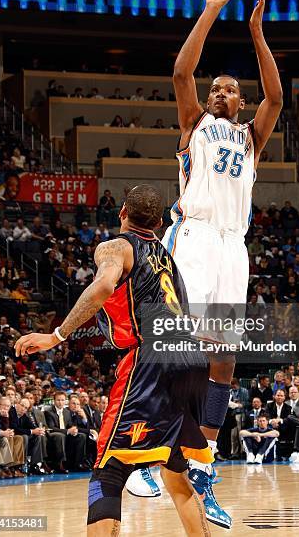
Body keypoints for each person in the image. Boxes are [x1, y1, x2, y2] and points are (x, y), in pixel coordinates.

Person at [15, 185, 211, 537]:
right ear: (159, 221)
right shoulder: (166, 256)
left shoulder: (116, 246)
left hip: (151, 358)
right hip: (191, 357)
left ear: (122, 212)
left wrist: (56, 335)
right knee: (174, 471)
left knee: (108, 466)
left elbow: (104, 285)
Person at [159, 0, 282, 529]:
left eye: (230, 89)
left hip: (235, 245)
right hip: (198, 235)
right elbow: (182, 72)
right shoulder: (195, 125)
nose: (219, 93)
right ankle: (151, 438)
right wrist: (211, 11)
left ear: (241, 99)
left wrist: (257, 33)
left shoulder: (252, 138)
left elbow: (276, 97)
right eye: (216, 89)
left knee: (223, 354)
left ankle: (203, 461)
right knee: (176, 339)